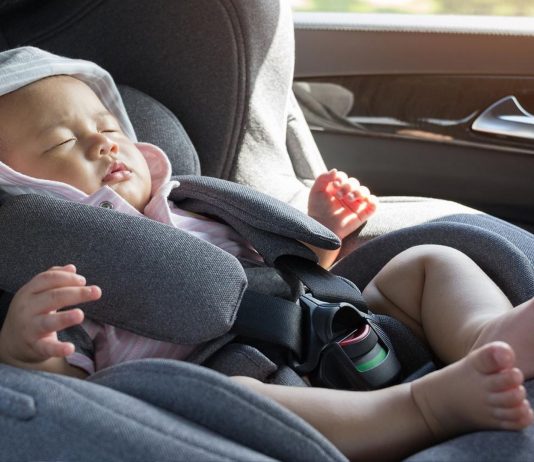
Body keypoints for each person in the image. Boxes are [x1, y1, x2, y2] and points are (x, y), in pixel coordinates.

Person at [0, 49, 531, 461]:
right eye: (60, 143)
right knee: (236, 394)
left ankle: (487, 335)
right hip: (235, 382)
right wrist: (29, 351)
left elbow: (282, 280)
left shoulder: (196, 204)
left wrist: (319, 232)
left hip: (327, 327)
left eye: (108, 127)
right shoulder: (59, 275)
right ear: (15, 187)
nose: (103, 145)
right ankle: (423, 409)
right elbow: (73, 398)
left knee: (427, 263)